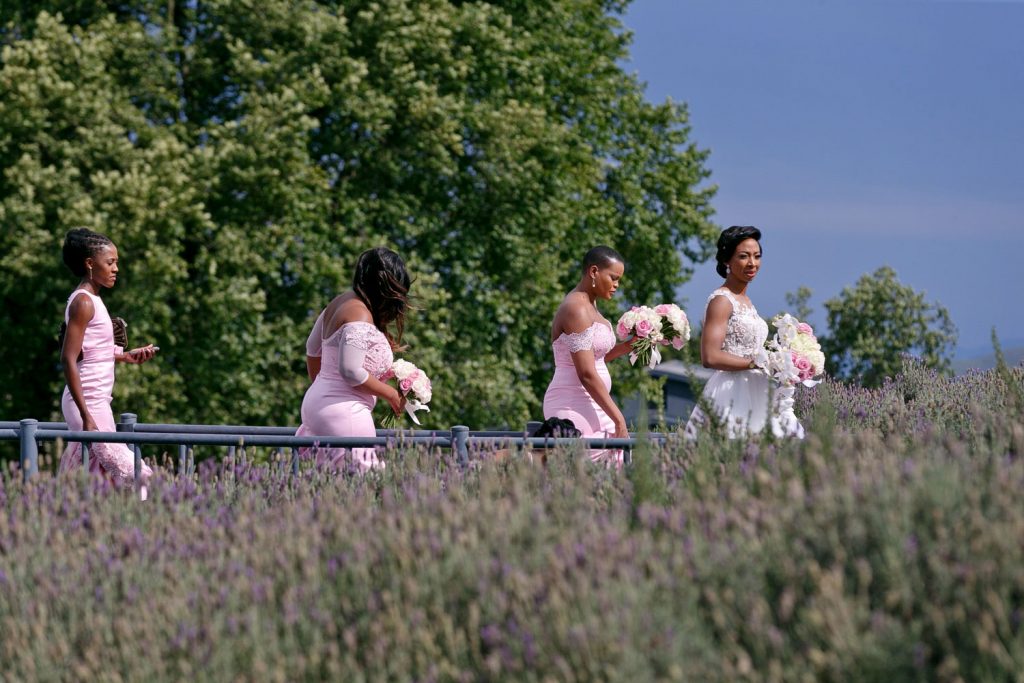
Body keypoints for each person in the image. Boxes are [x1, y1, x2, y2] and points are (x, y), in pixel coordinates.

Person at [57, 228, 158, 493]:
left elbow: (94, 351)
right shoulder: (83, 303)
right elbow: (68, 360)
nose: (116, 269)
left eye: (116, 263)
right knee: (136, 474)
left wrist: (127, 355)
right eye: (110, 262)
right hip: (87, 401)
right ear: (90, 264)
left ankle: (66, 521)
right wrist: (85, 415)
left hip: (97, 401)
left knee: (93, 476)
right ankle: (144, 524)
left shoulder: (94, 301)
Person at [684, 226, 804, 439]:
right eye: (743, 256)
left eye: (757, 256)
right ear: (726, 261)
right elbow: (710, 356)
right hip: (731, 392)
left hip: (759, 388)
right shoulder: (721, 301)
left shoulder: (747, 302)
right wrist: (757, 363)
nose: (752, 263)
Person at [296, 247, 410, 471]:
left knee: (330, 486)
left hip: (317, 405)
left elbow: (312, 348)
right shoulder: (360, 314)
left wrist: (323, 388)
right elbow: (350, 370)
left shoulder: (339, 302)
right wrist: (392, 395)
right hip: (345, 412)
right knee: (364, 487)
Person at [542, 246, 636, 465]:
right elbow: (585, 373)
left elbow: (596, 359)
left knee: (613, 464)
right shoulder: (576, 308)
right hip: (572, 402)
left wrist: (629, 346)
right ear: (594, 272)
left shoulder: (590, 304)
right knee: (589, 469)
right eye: (613, 278)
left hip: (595, 404)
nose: (617, 286)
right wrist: (619, 419)